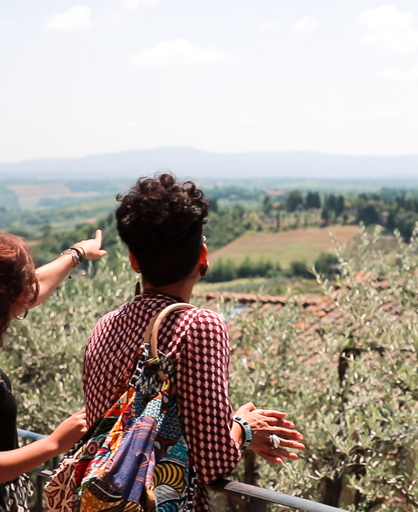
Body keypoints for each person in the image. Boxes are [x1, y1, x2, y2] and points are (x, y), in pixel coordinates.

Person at [83, 173, 304, 512]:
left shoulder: (105, 326)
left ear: (134, 262)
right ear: (203, 256)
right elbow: (214, 462)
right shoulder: (199, 325)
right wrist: (244, 427)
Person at [0, 230, 108, 509]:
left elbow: (39, 286)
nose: (33, 292)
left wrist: (78, 253)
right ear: (13, 296)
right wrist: (54, 444)